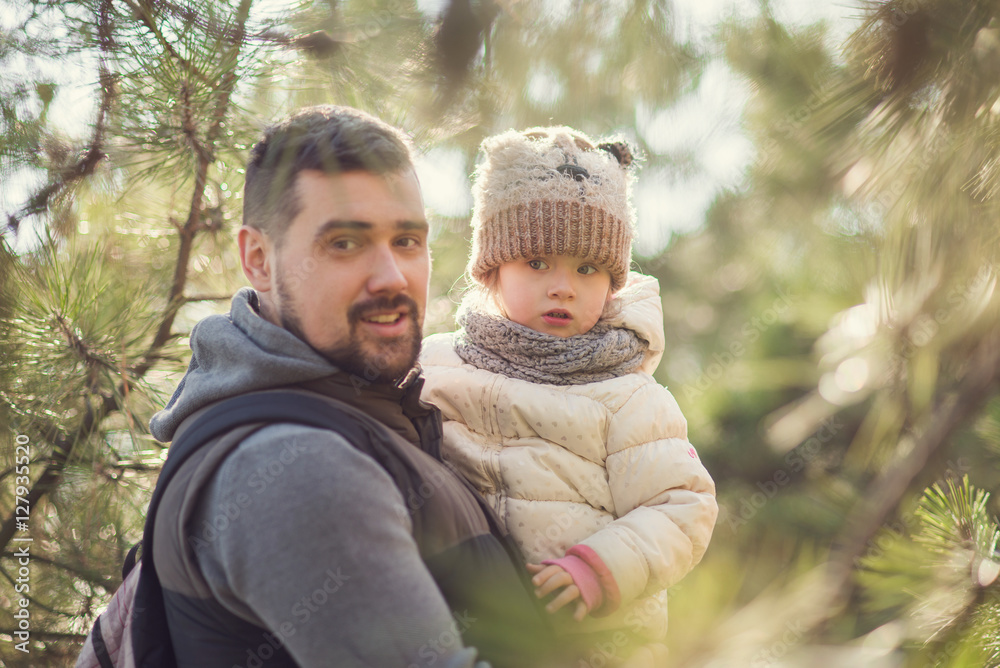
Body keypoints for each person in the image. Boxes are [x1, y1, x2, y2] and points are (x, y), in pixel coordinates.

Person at [148, 105, 555, 668]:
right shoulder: (295, 464)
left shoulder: (367, 415)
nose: (392, 276)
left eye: (408, 241)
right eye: (345, 243)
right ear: (259, 260)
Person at [420, 127, 719, 667]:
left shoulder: (626, 396)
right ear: (492, 271)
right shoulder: (437, 364)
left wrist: (597, 569)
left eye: (588, 269)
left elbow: (682, 505)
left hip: (596, 641)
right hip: (467, 629)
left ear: (613, 282)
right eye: (537, 263)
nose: (563, 286)